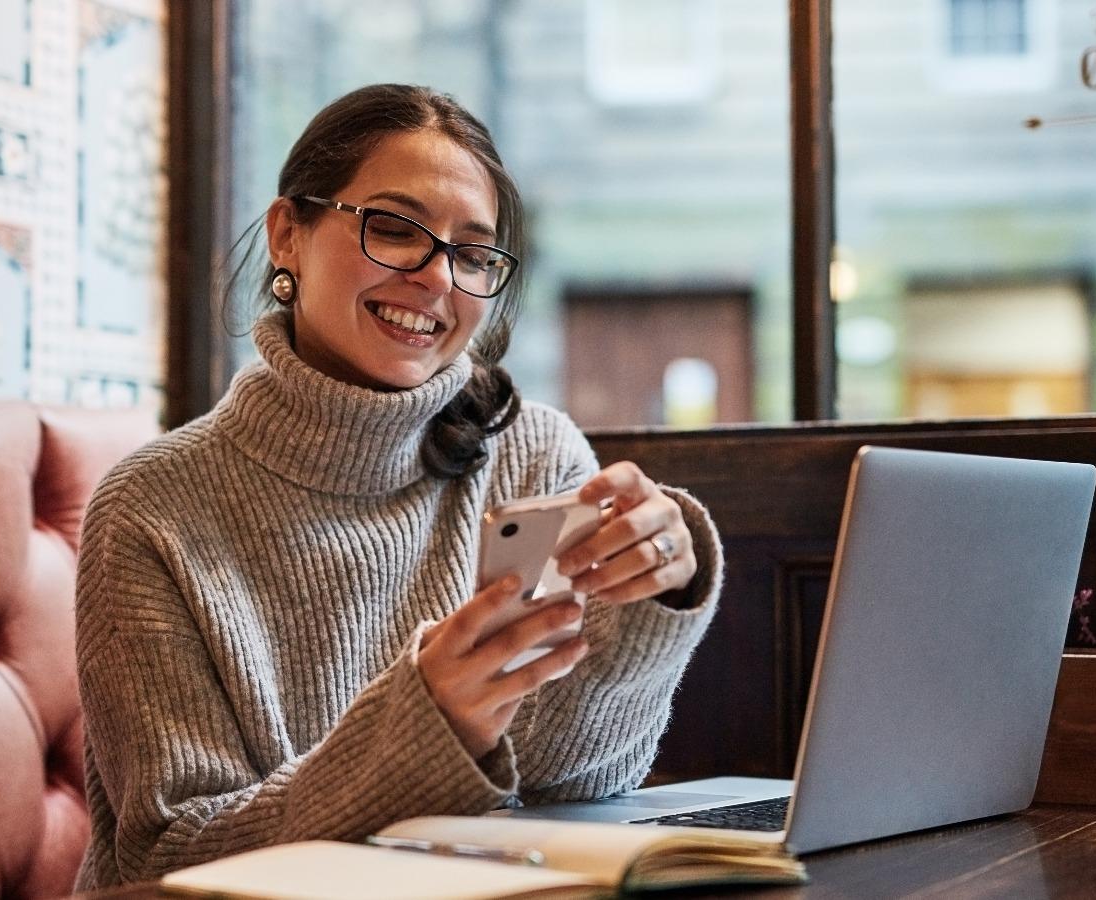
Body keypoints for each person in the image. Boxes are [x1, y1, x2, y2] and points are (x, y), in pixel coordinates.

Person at [73, 83, 723, 890]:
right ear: (287, 234)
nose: (436, 278)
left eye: (474, 254)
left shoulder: (532, 454)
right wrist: (426, 727)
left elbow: (570, 781)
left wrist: (650, 600)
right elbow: (167, 859)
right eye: (393, 229)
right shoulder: (152, 508)